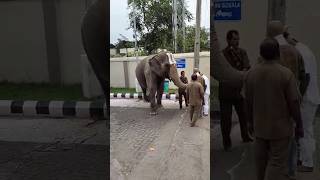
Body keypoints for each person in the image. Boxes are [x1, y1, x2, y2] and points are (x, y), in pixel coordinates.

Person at [243, 38, 304, 180]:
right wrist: (299, 124)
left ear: (261, 54)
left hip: (259, 128)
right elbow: (294, 102)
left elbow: (247, 102)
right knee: (276, 164)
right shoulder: (285, 74)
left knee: (260, 163)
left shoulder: (251, 74)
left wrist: (249, 122)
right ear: (278, 53)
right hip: (280, 130)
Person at [284, 30, 320, 173]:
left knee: (305, 130)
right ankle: (302, 159)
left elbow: (306, 77)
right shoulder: (304, 48)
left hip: (307, 98)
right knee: (303, 130)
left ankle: (308, 162)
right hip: (311, 96)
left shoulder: (299, 52)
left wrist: (298, 97)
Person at [219, 30, 252, 151]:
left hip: (239, 90)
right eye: (234, 39)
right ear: (228, 40)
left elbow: (247, 67)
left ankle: (246, 135)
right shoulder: (222, 54)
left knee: (243, 115)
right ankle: (226, 142)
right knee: (226, 118)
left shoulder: (243, 52)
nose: (236, 41)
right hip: (226, 91)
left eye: (238, 39)